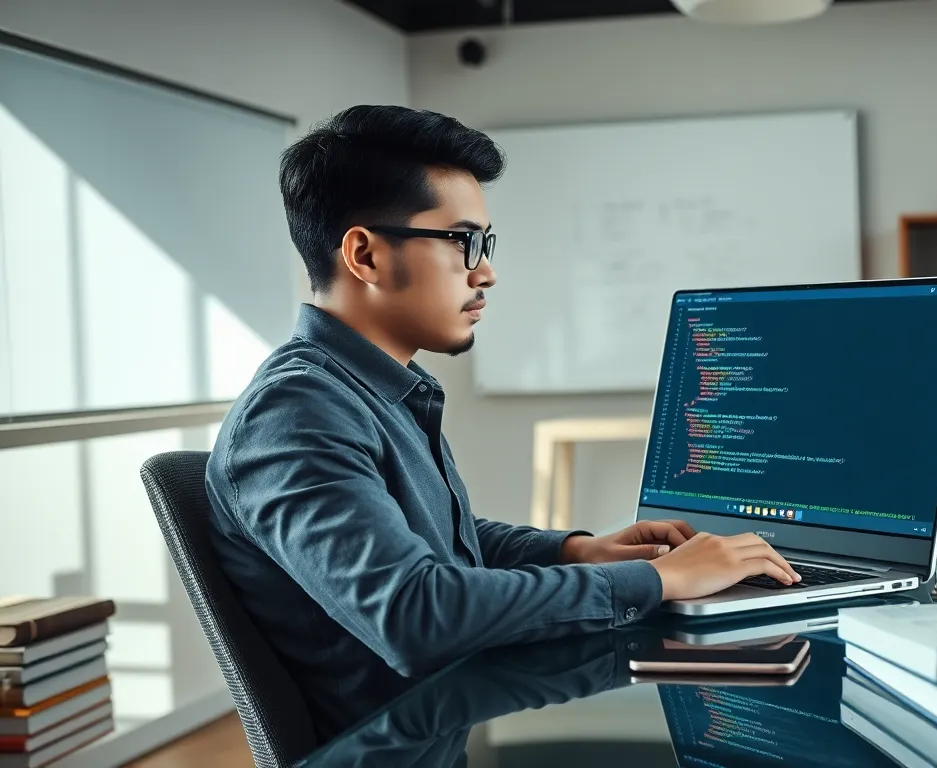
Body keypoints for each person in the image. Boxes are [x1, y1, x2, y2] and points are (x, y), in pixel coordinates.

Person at [203, 104, 800, 740]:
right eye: (464, 243)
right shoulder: (296, 413)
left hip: (454, 718)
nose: (486, 272)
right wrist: (656, 579)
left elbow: (435, 538)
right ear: (365, 254)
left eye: (485, 244)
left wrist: (580, 551)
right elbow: (415, 614)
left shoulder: (368, 390)